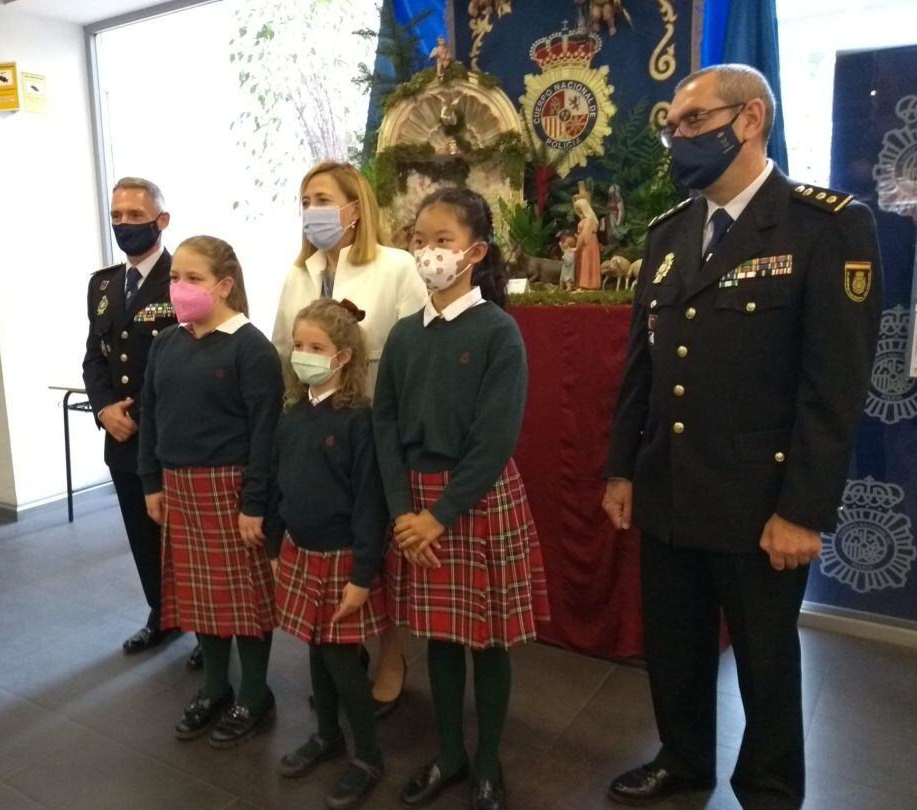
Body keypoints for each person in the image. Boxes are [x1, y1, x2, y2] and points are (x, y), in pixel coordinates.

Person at [603, 64, 882, 809]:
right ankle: (684, 758)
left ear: (751, 119)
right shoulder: (671, 231)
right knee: (676, 645)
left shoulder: (824, 224)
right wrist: (622, 470)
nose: (678, 140)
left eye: (693, 123)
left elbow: (834, 388)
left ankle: (768, 787)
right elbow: (643, 369)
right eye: (673, 127)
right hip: (669, 483)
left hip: (760, 497)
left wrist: (803, 511)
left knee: (764, 660)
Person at [374, 188, 550, 810]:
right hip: (414, 505)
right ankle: (448, 753)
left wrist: (437, 516)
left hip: (474, 500)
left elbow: (495, 438)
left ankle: (488, 763)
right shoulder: (403, 335)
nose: (427, 252)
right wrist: (403, 512)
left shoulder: (499, 332)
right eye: (419, 240)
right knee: (439, 638)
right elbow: (384, 427)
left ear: (475, 252)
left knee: (488, 639)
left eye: (442, 241)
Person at [272, 161, 427, 716]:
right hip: (319, 425)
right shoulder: (300, 272)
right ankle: (343, 653)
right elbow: (281, 349)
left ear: (354, 208)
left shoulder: (396, 265)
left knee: (377, 541)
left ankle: (392, 653)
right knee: (335, 542)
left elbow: (414, 351)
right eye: (305, 199)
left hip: (379, 422)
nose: (311, 209)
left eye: (322, 198)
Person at [139, 236, 283, 748]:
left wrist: (256, 503)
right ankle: (216, 687)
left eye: (193, 279)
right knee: (202, 602)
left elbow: (267, 433)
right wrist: (151, 480)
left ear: (224, 286)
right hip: (179, 487)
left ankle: (254, 692)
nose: (180, 288)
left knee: (246, 602)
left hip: (232, 489)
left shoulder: (251, 348)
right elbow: (151, 415)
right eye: (175, 277)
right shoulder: (167, 344)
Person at [267, 299, 389, 810]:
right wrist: (276, 543)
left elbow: (370, 503)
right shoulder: (292, 413)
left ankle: (368, 757)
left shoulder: (359, 420)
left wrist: (363, 574)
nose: (303, 355)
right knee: (316, 649)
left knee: (341, 660)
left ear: (341, 358)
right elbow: (278, 482)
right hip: (300, 551)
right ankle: (326, 735)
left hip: (343, 558)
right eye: (298, 345)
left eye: (316, 348)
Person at [81, 177, 201, 667]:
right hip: (123, 437)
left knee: (187, 540)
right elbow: (95, 358)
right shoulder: (103, 284)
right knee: (141, 534)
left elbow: (195, 365)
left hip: (171, 438)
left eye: (134, 215)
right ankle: (162, 615)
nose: (124, 225)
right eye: (117, 217)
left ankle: (205, 630)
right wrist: (104, 409)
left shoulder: (186, 279)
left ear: (161, 220)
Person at [574, 197, 601, 290]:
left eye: (579, 209)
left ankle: (587, 284)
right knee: (588, 261)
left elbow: (584, 235)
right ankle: (588, 284)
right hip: (591, 241)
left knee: (587, 261)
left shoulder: (589, 219)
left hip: (588, 242)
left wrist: (577, 247)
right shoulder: (590, 218)